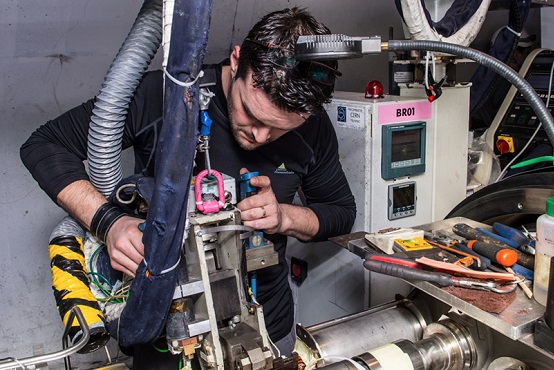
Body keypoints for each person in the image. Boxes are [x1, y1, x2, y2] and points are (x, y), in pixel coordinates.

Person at [20, 6, 356, 368]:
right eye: (251, 113)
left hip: (267, 331)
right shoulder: (166, 96)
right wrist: (110, 223)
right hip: (170, 332)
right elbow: (43, 146)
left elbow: (340, 214)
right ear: (237, 59)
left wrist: (285, 217)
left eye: (279, 129)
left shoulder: (313, 127)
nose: (261, 135)